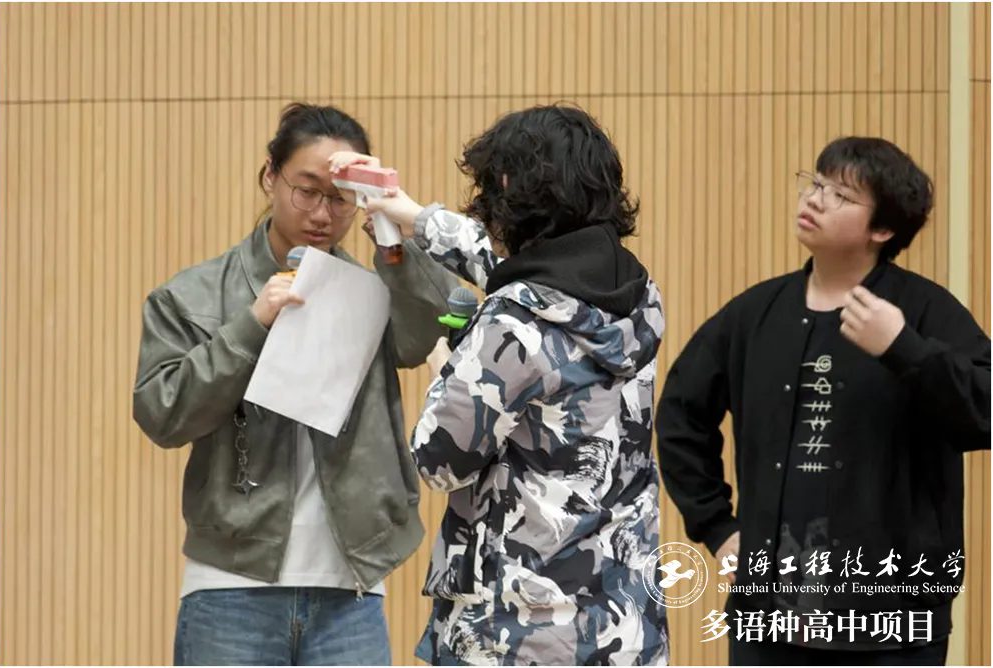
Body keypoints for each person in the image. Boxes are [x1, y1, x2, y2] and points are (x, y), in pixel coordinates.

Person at [338, 104, 671, 665]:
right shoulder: (637, 295)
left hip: (516, 632)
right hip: (624, 625)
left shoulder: (511, 322)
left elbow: (438, 460)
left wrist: (448, 364)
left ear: (511, 189)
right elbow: (517, 270)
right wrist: (415, 217)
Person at [132, 102, 459, 666]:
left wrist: (392, 232)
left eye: (340, 198)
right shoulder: (191, 295)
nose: (322, 213)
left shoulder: (373, 289)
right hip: (230, 583)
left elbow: (428, 332)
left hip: (351, 587)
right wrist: (251, 324)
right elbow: (162, 414)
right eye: (306, 191)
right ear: (270, 176)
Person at [655, 136, 991, 666]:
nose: (814, 199)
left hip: (892, 618)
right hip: (769, 617)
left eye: (841, 195)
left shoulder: (925, 311)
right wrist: (717, 527)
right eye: (815, 184)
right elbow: (680, 413)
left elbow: (985, 412)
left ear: (883, 229)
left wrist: (904, 348)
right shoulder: (754, 314)